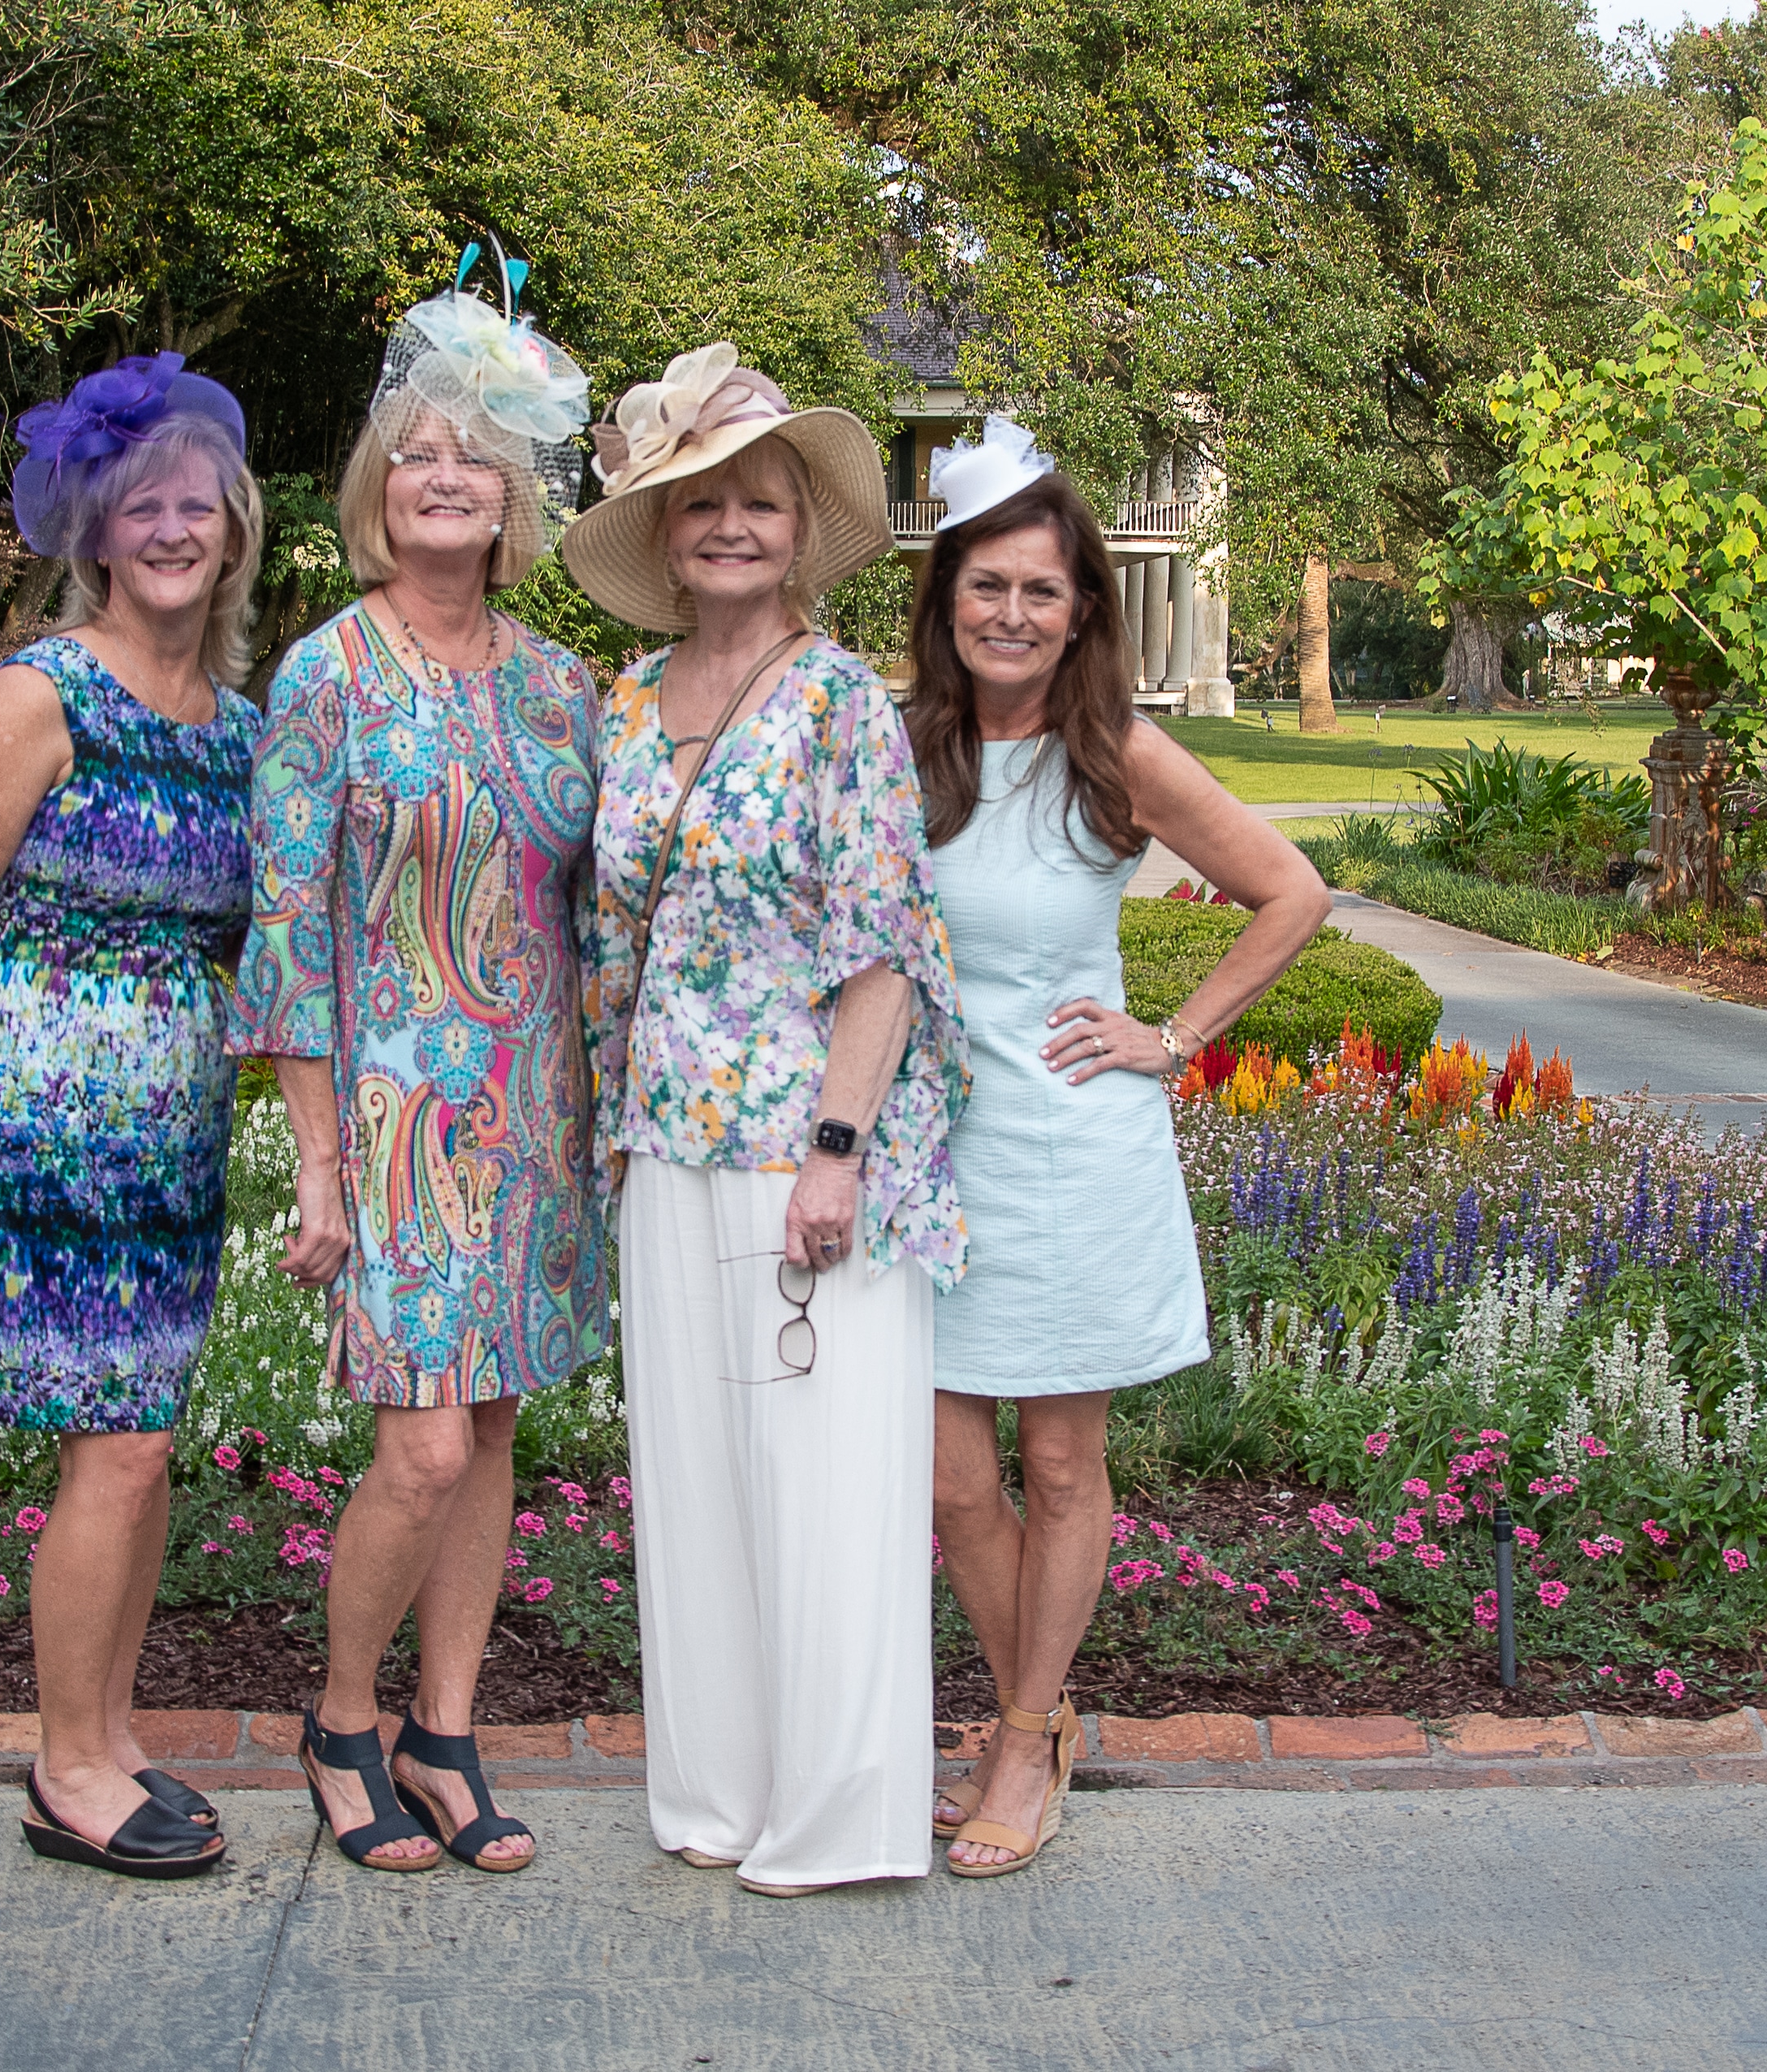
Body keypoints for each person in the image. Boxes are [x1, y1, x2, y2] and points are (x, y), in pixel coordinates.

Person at [567, 344, 965, 1897]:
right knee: (698, 1485)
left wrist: (835, 1154)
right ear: (663, 539)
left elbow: (884, 950)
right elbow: (614, 935)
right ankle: (717, 1792)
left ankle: (837, 1817)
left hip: (804, 1153)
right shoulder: (626, 700)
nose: (730, 525)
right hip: (665, 1147)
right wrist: (607, 1123)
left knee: (822, 1486)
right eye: (699, 503)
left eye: (759, 502)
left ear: (801, 532)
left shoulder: (839, 703)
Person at [909, 418, 1329, 1877]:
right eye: (986, 586)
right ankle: (1036, 1718)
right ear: (945, 599)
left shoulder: (1116, 753)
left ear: (1083, 607)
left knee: (1059, 1458)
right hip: (930, 1160)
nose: (1011, 613)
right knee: (951, 1480)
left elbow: (1290, 892)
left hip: (1071, 1149)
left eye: (1041, 589)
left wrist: (1174, 1034)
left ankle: (1023, 1738)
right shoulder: (901, 753)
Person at [230, 283, 606, 1874]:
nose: (443, 476)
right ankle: (338, 1721)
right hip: (394, 1121)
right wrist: (315, 1162)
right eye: (414, 453)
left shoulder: (560, 685)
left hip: (536, 1113)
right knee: (424, 1446)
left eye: (472, 457)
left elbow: (597, 910)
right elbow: (283, 931)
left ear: (513, 497)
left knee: (495, 1430)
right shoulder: (323, 674)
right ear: (375, 490)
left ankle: (443, 1733)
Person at [0, 354, 266, 1881]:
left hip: (171, 1141)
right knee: (111, 1451)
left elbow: (250, 943)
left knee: (145, 1445)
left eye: (198, 507)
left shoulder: (236, 729)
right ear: (96, 533)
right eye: (142, 508)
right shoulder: (42, 692)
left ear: (234, 533)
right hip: (44, 1132)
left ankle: (107, 1737)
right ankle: (64, 1769)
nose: (171, 531)